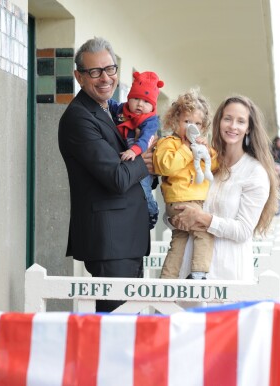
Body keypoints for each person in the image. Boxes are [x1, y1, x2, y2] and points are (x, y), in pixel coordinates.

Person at [58, 37, 153, 312]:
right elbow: (117, 177)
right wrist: (146, 161)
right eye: (94, 71)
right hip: (110, 242)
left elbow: (129, 170)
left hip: (127, 238)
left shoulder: (110, 110)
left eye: (110, 69)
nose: (105, 78)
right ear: (79, 76)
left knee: (130, 325)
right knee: (115, 330)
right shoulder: (78, 118)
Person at [168, 95, 280, 281]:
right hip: (189, 268)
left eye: (241, 121)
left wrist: (202, 218)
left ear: (249, 128)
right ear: (219, 121)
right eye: (227, 118)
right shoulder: (206, 160)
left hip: (227, 271)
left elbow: (244, 230)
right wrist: (173, 218)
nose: (232, 126)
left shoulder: (255, 172)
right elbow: (179, 199)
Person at [153, 89, 218, 280]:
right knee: (204, 232)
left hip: (191, 200)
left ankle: (167, 281)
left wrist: (207, 152)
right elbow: (166, 166)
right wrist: (186, 149)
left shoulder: (201, 146)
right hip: (182, 200)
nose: (192, 127)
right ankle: (198, 274)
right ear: (175, 121)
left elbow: (214, 167)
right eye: (187, 122)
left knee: (179, 240)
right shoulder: (169, 142)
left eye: (197, 123)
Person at [108, 71, 164, 229]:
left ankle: (152, 210)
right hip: (126, 160)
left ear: (152, 105)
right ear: (129, 98)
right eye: (136, 98)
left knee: (143, 187)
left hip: (140, 158)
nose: (140, 104)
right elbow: (109, 105)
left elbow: (145, 139)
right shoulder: (122, 111)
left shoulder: (150, 120)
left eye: (146, 101)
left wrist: (134, 151)